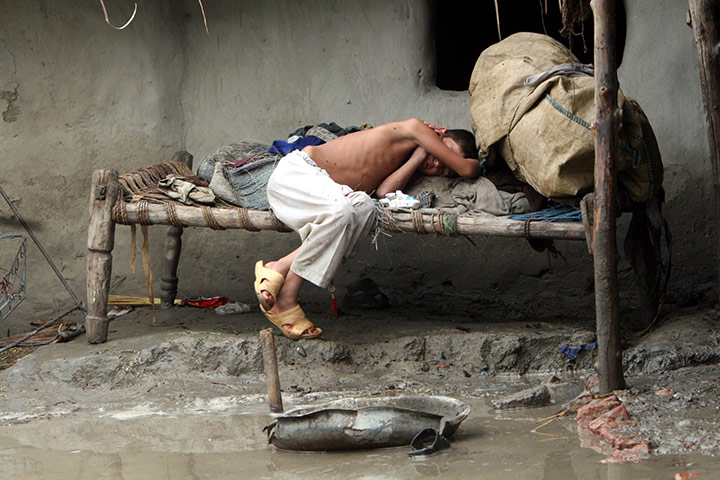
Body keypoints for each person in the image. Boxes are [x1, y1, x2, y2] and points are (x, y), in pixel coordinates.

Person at [254, 118, 480, 339]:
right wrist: (470, 160)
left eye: (443, 171)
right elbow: (468, 169)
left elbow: (384, 192)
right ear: (439, 131)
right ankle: (288, 295)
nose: (439, 163)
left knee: (365, 207)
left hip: (325, 192)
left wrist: (419, 155)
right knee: (342, 211)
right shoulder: (414, 127)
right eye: (445, 152)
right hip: (296, 177)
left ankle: (279, 266)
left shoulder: (406, 156)